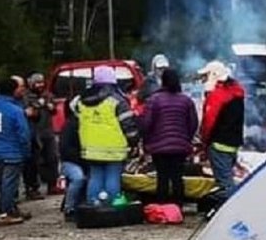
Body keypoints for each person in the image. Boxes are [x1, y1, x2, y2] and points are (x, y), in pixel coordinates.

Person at [73, 65, 139, 204]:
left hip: (90, 148)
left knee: (95, 176)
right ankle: (111, 206)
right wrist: (134, 142)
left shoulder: (82, 100)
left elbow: (72, 110)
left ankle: (93, 204)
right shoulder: (117, 100)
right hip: (113, 148)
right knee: (112, 176)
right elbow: (128, 125)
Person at [140, 67, 198, 205]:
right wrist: (186, 138)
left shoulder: (153, 100)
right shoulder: (186, 101)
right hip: (180, 146)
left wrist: (147, 141)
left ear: (163, 81)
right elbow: (193, 123)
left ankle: (162, 207)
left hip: (159, 146)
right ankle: (178, 207)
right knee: (178, 177)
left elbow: (146, 123)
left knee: (162, 178)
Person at [0, 78, 32, 225]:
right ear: (13, 90)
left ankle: (10, 209)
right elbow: (23, 134)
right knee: (10, 184)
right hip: (12, 153)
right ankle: (4, 213)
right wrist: (26, 152)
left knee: (2, 183)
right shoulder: (16, 110)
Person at [198, 60, 244, 202]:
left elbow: (209, 122)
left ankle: (226, 210)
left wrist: (203, 141)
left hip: (219, 144)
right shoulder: (236, 92)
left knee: (225, 184)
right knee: (228, 178)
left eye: (205, 76)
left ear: (213, 75)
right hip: (233, 144)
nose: (203, 80)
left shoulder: (217, 96)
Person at [22, 72, 59, 199]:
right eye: (37, 82)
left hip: (48, 131)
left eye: (41, 82)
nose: (40, 85)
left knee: (52, 158)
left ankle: (52, 184)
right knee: (33, 161)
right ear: (31, 83)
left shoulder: (47, 95)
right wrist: (40, 104)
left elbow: (54, 108)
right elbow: (28, 110)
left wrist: (50, 106)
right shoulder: (26, 95)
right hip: (33, 132)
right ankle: (32, 187)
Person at [59, 102, 87, 222]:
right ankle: (69, 208)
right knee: (78, 178)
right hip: (70, 162)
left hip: (85, 159)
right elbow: (65, 150)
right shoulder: (70, 125)